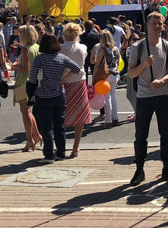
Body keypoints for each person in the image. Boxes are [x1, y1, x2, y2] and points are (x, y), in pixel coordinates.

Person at [127, 12, 168, 186]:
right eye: (154, 23)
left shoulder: (167, 45)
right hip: (144, 97)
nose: (157, 26)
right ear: (147, 25)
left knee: (167, 133)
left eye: (160, 23)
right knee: (141, 134)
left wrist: (162, 81)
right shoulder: (138, 47)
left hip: (163, 94)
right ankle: (139, 169)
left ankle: (167, 167)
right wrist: (144, 64)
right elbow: (131, 73)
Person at [29, 33, 82, 164]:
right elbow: (77, 68)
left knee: (46, 127)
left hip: (43, 96)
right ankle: (61, 153)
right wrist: (62, 77)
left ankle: (48, 155)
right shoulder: (62, 57)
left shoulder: (39, 59)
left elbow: (33, 78)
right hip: (59, 94)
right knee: (59, 125)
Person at [60, 23, 91, 157]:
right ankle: (76, 147)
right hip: (79, 82)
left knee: (61, 115)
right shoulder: (83, 47)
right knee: (80, 116)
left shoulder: (61, 48)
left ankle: (60, 147)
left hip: (64, 82)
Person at [13, 25, 41, 151]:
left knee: (25, 112)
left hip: (23, 81)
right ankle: (36, 135)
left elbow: (24, 69)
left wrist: (13, 66)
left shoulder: (25, 49)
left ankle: (30, 140)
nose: (19, 36)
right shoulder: (37, 47)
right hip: (34, 81)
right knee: (28, 111)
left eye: (20, 34)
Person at [91, 31, 121, 128]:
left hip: (105, 75)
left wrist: (94, 77)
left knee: (107, 98)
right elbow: (118, 61)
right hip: (115, 74)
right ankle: (115, 117)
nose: (99, 39)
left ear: (103, 39)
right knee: (113, 96)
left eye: (100, 37)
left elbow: (97, 65)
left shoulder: (102, 50)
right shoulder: (115, 48)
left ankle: (108, 120)